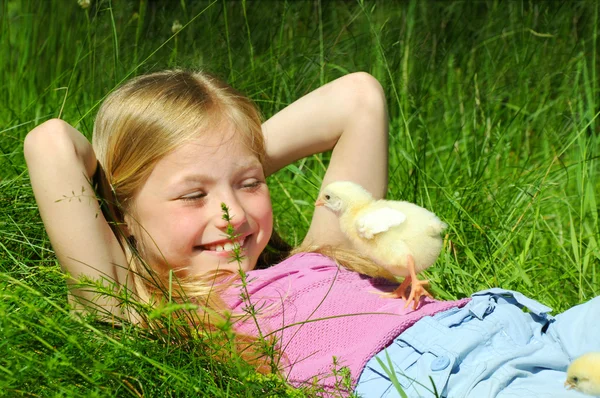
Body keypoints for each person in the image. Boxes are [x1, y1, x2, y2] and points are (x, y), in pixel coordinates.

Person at [24, 70, 599, 397]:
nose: (232, 214)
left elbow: (358, 97)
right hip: (451, 384)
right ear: (123, 213)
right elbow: (50, 142)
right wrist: (117, 205)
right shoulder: (149, 308)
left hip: (523, 326)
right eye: (193, 195)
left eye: (249, 185)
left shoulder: (328, 249)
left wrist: (231, 159)